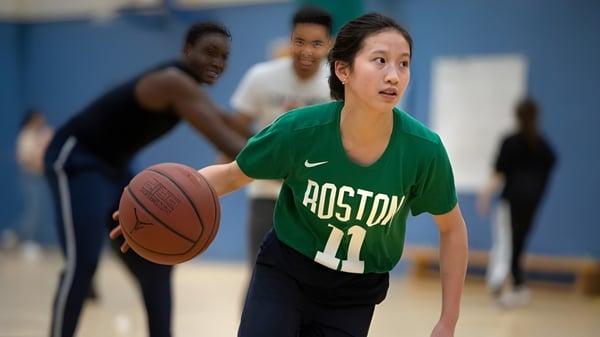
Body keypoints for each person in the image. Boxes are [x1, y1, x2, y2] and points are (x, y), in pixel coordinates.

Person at [113, 12, 469, 336]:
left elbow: (451, 229)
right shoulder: (299, 131)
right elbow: (232, 174)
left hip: (356, 293)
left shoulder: (423, 150)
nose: (394, 74)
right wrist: (154, 208)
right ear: (343, 70)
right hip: (286, 273)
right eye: (380, 60)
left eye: (403, 63)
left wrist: (447, 319)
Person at [44, 22, 248, 337]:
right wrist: (290, 165)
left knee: (156, 265)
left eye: (224, 56)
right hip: (77, 158)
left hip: (116, 168)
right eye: (210, 52)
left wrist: (290, 138)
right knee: (83, 262)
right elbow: (227, 142)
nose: (217, 62)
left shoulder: (189, 89)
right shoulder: (173, 83)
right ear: (186, 51)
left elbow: (231, 124)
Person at [229, 5, 333, 268]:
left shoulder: (339, 83)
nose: (307, 51)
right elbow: (233, 131)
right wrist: (217, 181)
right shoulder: (261, 77)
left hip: (317, 197)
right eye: (300, 41)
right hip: (266, 192)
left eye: (316, 43)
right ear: (290, 41)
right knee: (260, 272)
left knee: (312, 277)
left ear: (329, 45)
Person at [477, 97, 557, 308]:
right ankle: (516, 285)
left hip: (510, 202)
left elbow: (499, 173)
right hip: (531, 205)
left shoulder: (511, 142)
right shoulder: (544, 147)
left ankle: (504, 288)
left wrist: (485, 194)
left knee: (505, 244)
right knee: (518, 244)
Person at [4, 109, 54, 259]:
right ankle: (25, 241)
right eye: (39, 118)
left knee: (37, 211)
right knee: (33, 211)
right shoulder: (26, 135)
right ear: (32, 119)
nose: (42, 120)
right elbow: (26, 158)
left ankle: (12, 236)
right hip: (30, 177)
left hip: (38, 177)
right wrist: (38, 162)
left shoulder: (39, 134)